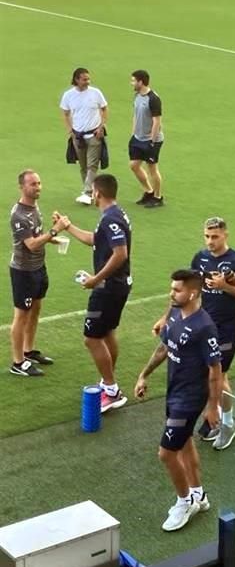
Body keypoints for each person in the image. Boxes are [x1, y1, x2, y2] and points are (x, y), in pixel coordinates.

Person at [152, 217, 235, 448]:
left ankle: (228, 423)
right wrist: (166, 316)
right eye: (207, 236)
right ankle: (216, 416)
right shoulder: (200, 258)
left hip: (227, 326)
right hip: (202, 326)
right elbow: (185, 292)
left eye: (215, 237)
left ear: (225, 235)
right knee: (208, 374)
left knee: (219, 376)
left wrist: (227, 287)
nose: (210, 241)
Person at [135, 270, 222, 532]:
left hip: (190, 398)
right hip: (174, 391)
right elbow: (164, 348)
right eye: (171, 288)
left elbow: (215, 371)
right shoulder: (174, 313)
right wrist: (143, 375)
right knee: (184, 444)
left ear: (192, 293)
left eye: (177, 290)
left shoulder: (204, 327)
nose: (171, 293)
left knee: (166, 453)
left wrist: (213, 408)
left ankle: (184, 502)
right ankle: (199, 495)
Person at [55, 174, 132, 412]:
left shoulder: (110, 219)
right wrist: (68, 227)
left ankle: (111, 388)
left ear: (97, 193)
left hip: (108, 287)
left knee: (91, 338)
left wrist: (95, 279)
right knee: (107, 332)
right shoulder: (115, 215)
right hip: (117, 285)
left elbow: (121, 253)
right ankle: (109, 384)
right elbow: (96, 240)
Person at [9, 170, 64, 377]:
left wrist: (51, 238)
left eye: (39, 183)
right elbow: (31, 244)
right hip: (23, 271)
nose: (38, 187)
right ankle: (17, 362)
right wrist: (54, 231)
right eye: (33, 184)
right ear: (22, 187)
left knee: (36, 309)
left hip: (39, 267)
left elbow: (37, 235)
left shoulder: (34, 207)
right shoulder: (18, 214)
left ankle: (28, 350)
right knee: (21, 315)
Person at [60, 67, 108, 206]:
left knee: (92, 165)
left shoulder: (96, 93)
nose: (88, 81)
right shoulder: (68, 95)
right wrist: (70, 130)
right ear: (76, 79)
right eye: (84, 79)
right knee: (83, 166)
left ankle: (87, 193)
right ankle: (92, 193)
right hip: (78, 136)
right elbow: (65, 113)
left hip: (94, 134)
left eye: (88, 78)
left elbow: (104, 109)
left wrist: (101, 127)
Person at [128, 70, 165, 208]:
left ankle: (157, 197)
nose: (132, 83)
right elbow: (135, 115)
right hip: (138, 138)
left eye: (133, 81)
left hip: (151, 139)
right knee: (134, 165)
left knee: (152, 169)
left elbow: (157, 121)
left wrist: (152, 141)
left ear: (140, 82)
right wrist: (133, 133)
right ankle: (149, 191)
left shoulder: (153, 99)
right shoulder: (137, 96)